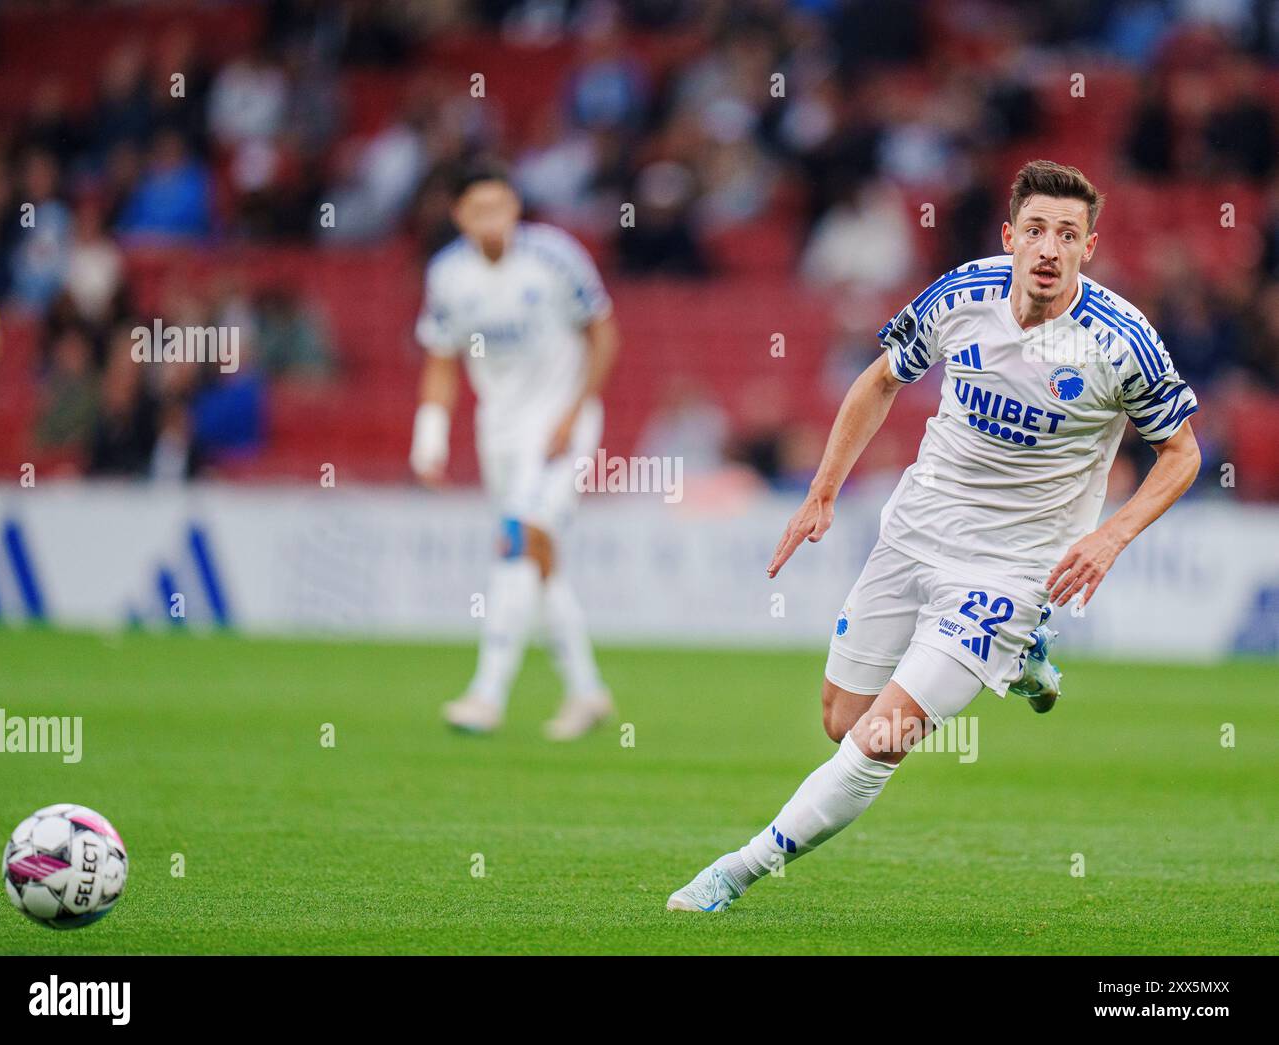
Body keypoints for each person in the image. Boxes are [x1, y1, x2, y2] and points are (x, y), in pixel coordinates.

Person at [667, 160, 1202, 912]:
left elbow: (1181, 453)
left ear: (1090, 247)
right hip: (917, 528)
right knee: (841, 722)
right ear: (1010, 236)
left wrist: (1111, 537)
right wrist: (822, 493)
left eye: (1069, 235)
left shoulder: (1122, 342)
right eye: (1038, 231)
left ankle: (737, 869)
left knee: (881, 738)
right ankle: (1025, 660)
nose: (1050, 248)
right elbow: (881, 379)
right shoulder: (962, 295)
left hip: (1014, 568)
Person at [410, 162, 619, 740]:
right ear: (459, 216)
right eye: (478, 210)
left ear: (515, 208)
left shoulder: (556, 257)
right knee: (539, 559)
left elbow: (604, 331)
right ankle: (585, 689)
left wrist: (576, 411)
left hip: (559, 425)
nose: (492, 220)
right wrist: (430, 437)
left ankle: (487, 693)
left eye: (500, 207)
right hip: (497, 432)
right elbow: (441, 359)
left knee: (518, 540)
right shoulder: (448, 274)